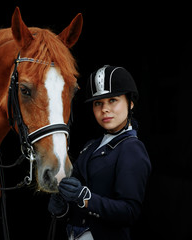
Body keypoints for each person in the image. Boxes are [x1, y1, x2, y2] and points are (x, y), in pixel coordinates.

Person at [48, 65, 151, 240]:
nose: (104, 109)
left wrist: (85, 198)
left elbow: (129, 212)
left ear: (130, 102)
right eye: (98, 103)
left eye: (113, 100)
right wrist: (62, 207)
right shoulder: (90, 146)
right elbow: (76, 205)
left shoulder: (132, 149)